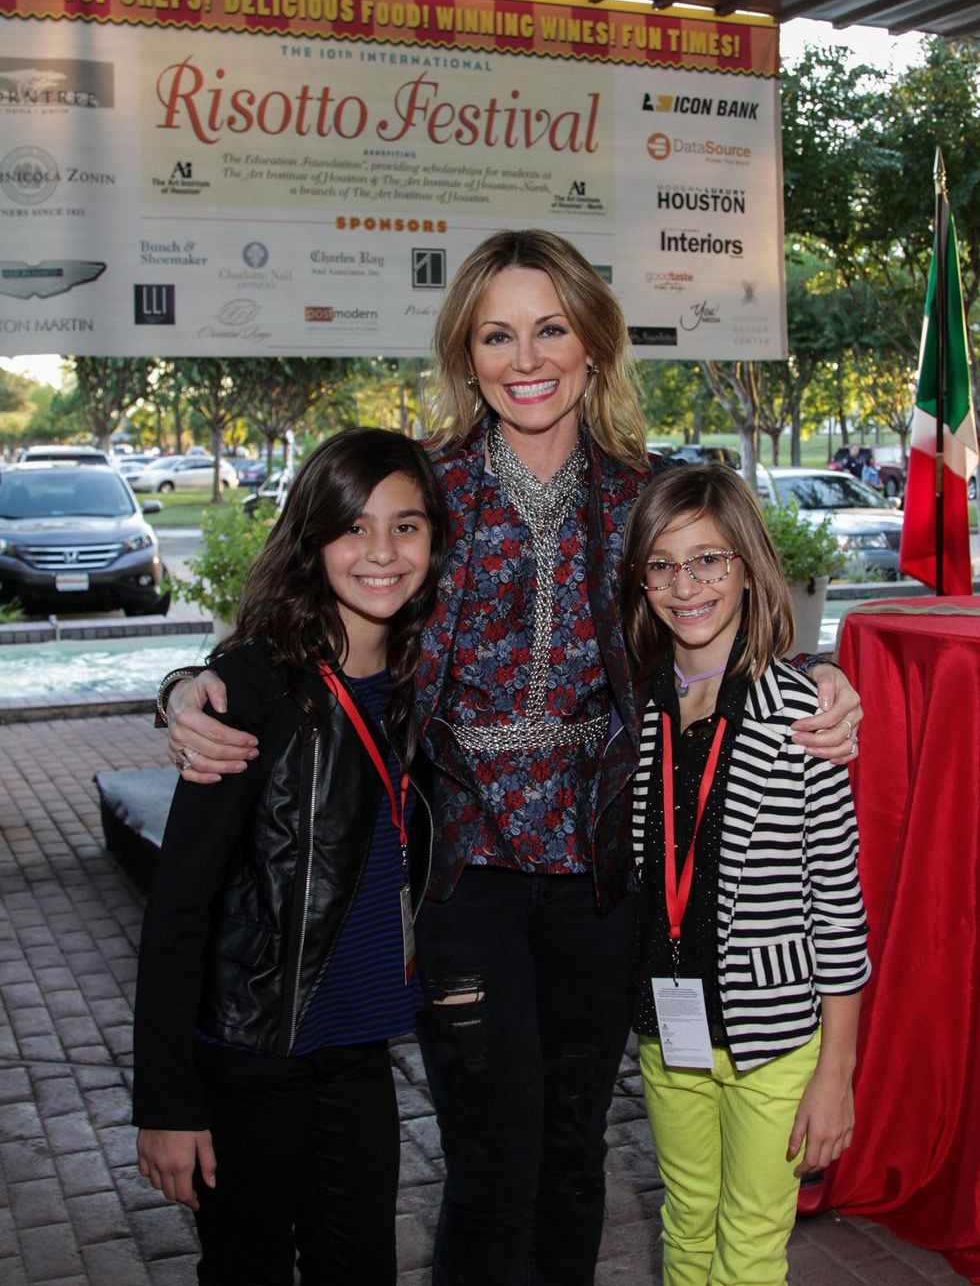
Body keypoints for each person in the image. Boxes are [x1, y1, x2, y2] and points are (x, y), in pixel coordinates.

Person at [159, 229, 862, 1285]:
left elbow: (720, 600)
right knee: (490, 1159)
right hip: (463, 883)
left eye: (549, 328)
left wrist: (816, 673)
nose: (524, 356)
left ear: (591, 344)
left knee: (573, 1150)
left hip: (603, 885)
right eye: (496, 334)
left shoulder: (642, 493)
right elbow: (296, 610)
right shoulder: (426, 488)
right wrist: (183, 687)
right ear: (466, 352)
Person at [133, 428, 448, 1286]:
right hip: (251, 1056)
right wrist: (164, 1101)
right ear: (312, 541)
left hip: (358, 1053)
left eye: (407, 526)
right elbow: (178, 905)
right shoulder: (253, 686)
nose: (381, 551)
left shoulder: (426, 682)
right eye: (354, 526)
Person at [622, 464, 869, 1286]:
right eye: (662, 563)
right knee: (685, 1226)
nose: (684, 584)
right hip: (670, 1031)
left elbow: (839, 913)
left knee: (751, 1248)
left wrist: (835, 1076)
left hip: (773, 1045)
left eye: (708, 560)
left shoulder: (804, 714)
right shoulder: (640, 710)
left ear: (748, 566)